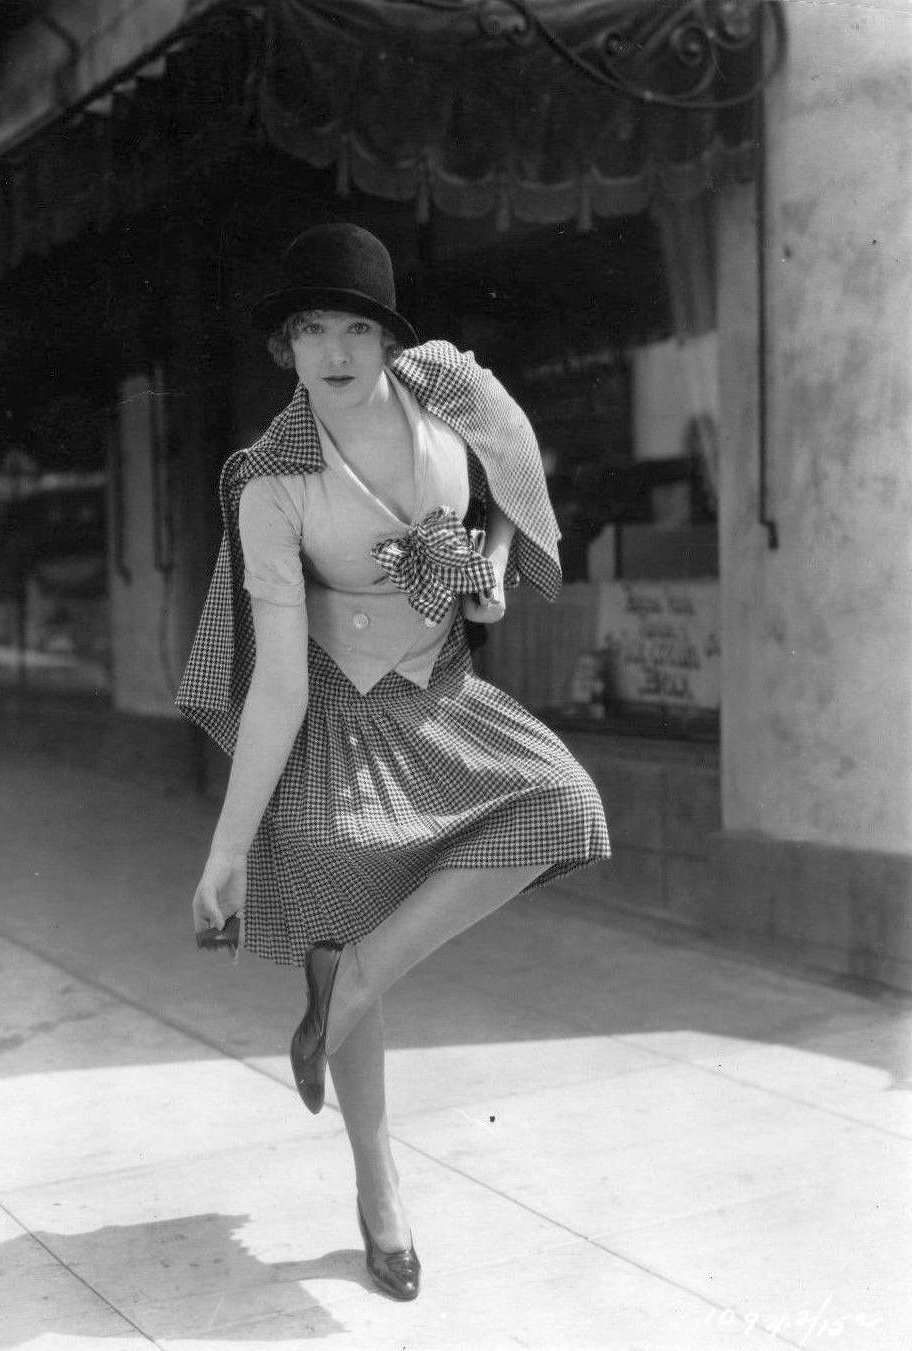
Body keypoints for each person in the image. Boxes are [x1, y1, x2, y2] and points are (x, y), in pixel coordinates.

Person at [177, 223, 609, 1302]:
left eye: (356, 328)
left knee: (562, 801)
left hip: (440, 684)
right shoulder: (270, 485)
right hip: (334, 705)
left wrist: (491, 566)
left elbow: (509, 482)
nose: (334, 351)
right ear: (285, 347)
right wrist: (227, 851)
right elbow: (278, 683)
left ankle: (355, 975)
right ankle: (380, 1189)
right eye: (310, 330)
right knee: (335, 871)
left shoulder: (452, 390)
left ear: (389, 339)